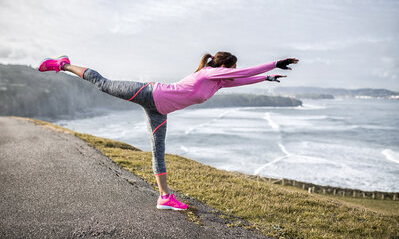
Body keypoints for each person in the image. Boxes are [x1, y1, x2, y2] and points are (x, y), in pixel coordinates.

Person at [38, 52, 299, 211]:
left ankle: (164, 197)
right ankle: (63, 65)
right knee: (103, 84)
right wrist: (274, 63)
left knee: (158, 151)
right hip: (149, 92)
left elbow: (242, 78)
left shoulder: (217, 83)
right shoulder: (209, 73)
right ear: (224, 66)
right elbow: (244, 72)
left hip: (159, 111)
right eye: (231, 69)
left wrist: (266, 79)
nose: (232, 73)